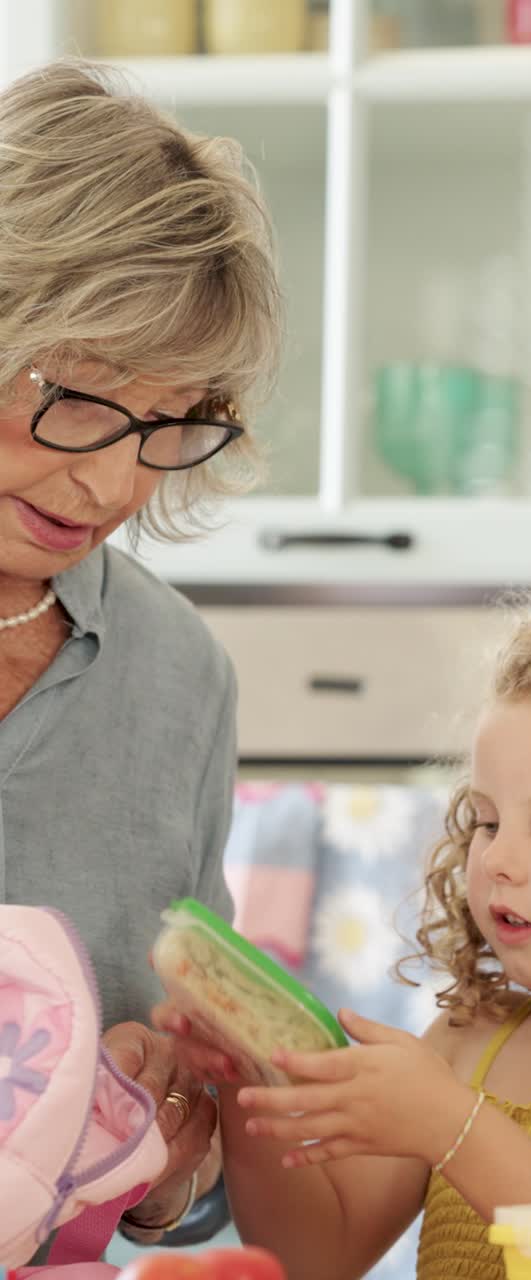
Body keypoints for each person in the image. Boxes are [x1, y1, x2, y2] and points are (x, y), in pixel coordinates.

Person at [156, 589, 531, 1279]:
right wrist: (250, 1088)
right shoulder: (471, 1041)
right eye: (486, 821)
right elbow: (314, 1258)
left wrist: (456, 1130)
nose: (499, 860)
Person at [0, 56, 280, 1246]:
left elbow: (198, 1173)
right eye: (74, 399)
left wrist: (168, 1156)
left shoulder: (178, 676)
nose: (111, 481)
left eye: (171, 427)